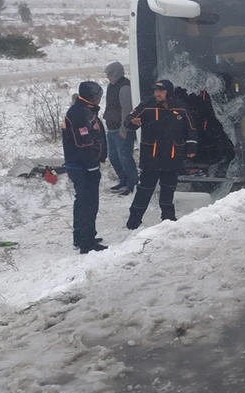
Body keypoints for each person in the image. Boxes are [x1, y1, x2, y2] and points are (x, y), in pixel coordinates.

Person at [124, 79, 198, 230]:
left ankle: (168, 220)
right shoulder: (146, 105)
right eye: (156, 91)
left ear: (168, 92)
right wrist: (133, 123)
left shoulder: (181, 107)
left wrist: (191, 148)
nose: (157, 94)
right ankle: (134, 222)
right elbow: (128, 121)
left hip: (172, 157)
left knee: (168, 190)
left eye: (161, 91)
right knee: (144, 191)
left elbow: (191, 129)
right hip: (151, 158)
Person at [62, 81, 108, 254]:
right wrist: (91, 166)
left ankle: (82, 235)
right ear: (90, 96)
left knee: (82, 201)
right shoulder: (80, 114)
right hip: (82, 166)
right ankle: (86, 242)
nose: (99, 98)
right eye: (97, 95)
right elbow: (83, 144)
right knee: (88, 203)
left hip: (82, 164)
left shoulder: (85, 110)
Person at [103, 61, 137, 196]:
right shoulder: (111, 86)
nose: (108, 77)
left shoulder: (125, 87)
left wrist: (124, 129)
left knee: (125, 158)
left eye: (109, 74)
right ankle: (123, 180)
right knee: (113, 157)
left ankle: (132, 184)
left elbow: (127, 110)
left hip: (121, 130)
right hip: (111, 128)